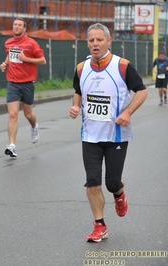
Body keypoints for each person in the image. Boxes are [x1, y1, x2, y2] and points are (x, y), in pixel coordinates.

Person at [69, 23, 147, 242]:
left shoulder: (122, 66)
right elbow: (78, 92)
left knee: (112, 182)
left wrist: (128, 112)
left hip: (116, 136)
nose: (95, 44)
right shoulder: (81, 68)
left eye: (99, 40)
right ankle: (99, 225)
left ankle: (119, 193)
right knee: (92, 182)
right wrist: (76, 106)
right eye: (91, 40)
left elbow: (142, 91)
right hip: (90, 136)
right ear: (87, 43)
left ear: (108, 41)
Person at [0, 17, 46, 158]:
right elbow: (9, 54)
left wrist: (26, 59)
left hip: (27, 83)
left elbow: (42, 61)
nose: (17, 27)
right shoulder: (8, 43)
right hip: (13, 82)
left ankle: (34, 127)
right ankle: (12, 145)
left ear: (24, 28)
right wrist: (5, 63)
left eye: (20, 25)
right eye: (15, 24)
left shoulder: (31, 44)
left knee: (28, 115)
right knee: (13, 114)